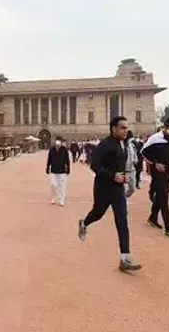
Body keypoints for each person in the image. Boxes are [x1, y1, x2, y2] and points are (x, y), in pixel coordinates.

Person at [77, 116, 140, 271]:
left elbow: (122, 165)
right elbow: (94, 166)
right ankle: (84, 223)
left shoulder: (123, 144)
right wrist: (113, 175)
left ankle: (125, 258)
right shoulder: (104, 145)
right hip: (103, 187)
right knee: (98, 213)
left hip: (118, 189)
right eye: (123, 128)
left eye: (127, 127)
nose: (126, 130)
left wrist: (125, 177)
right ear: (114, 129)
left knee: (122, 220)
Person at [141, 117, 169, 237]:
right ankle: (168, 227)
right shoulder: (154, 139)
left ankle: (153, 218)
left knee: (160, 195)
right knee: (164, 196)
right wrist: (155, 163)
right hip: (158, 172)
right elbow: (143, 153)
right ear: (165, 127)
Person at [46, 137, 70, 206]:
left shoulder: (64, 150)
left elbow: (67, 160)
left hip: (62, 171)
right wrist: (47, 168)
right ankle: (53, 197)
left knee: (62, 186)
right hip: (53, 170)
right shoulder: (52, 149)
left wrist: (68, 169)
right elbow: (49, 159)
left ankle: (61, 200)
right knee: (53, 185)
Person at [124, 130, 138, 198]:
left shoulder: (132, 145)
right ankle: (122, 202)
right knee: (123, 189)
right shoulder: (121, 146)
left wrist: (136, 160)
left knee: (132, 189)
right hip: (124, 171)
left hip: (132, 170)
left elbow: (135, 154)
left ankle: (121, 198)